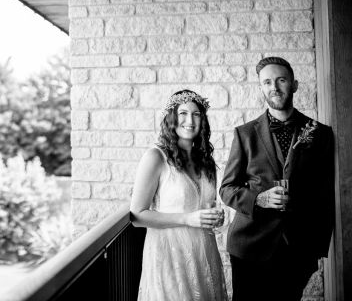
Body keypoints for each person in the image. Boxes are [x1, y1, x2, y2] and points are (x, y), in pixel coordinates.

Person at [220, 57, 334, 301]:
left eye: (281, 80)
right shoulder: (245, 134)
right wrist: (258, 199)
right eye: (267, 82)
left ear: (294, 85)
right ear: (261, 88)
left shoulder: (320, 133)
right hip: (249, 246)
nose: (274, 87)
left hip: (297, 250)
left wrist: (317, 248)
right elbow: (227, 188)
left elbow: (325, 194)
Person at [131, 89, 228, 301]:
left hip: (204, 253)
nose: (189, 120)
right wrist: (187, 218)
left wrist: (217, 218)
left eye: (196, 114)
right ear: (171, 118)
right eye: (183, 113)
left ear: (203, 120)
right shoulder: (156, 156)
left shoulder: (206, 160)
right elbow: (137, 216)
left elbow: (207, 207)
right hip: (169, 255)